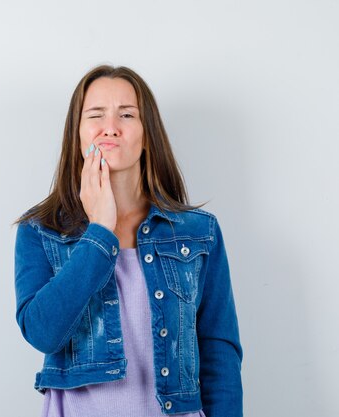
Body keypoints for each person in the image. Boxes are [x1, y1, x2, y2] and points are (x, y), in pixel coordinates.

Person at [12, 65, 243, 417]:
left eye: (127, 114)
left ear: (147, 134)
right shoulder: (40, 230)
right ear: (77, 134)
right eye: (95, 115)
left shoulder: (199, 232)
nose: (111, 127)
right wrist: (99, 233)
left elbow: (218, 353)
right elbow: (43, 333)